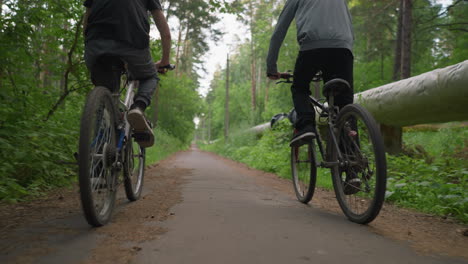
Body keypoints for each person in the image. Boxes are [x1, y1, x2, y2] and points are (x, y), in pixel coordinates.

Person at [83, 0, 172, 148]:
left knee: (106, 99)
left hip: (95, 45)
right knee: (150, 76)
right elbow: (165, 33)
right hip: (133, 44)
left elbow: (86, 22)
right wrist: (164, 61)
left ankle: (96, 155)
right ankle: (138, 107)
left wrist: (92, 48)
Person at [266, 0, 354, 147]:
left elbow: (279, 31)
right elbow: (349, 24)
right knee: (344, 103)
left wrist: (271, 68)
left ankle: (306, 125)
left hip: (312, 46)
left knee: (299, 87)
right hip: (343, 47)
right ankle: (352, 156)